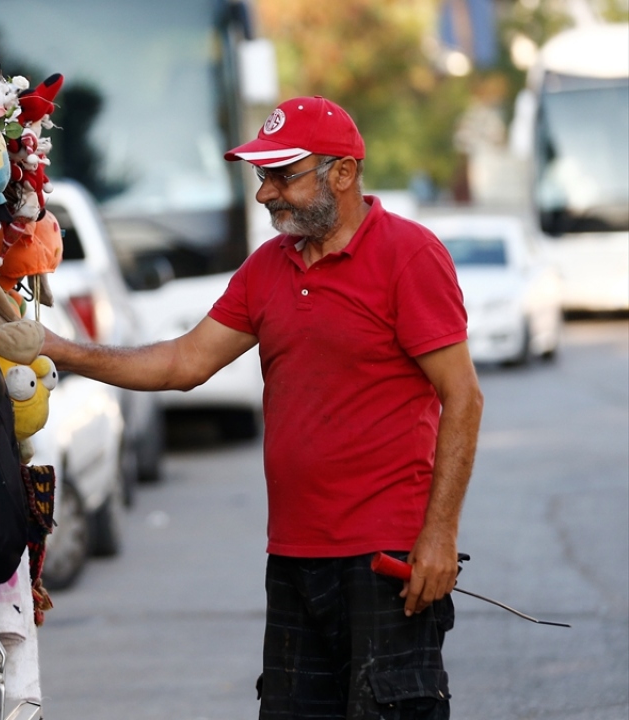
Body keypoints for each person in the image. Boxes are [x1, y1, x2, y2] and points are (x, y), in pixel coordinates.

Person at [40, 95, 483, 719]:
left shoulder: (408, 255)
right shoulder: (267, 267)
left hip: (388, 559)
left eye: (283, 175)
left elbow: (463, 396)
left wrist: (439, 535)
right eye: (261, 176)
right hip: (295, 558)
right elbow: (183, 363)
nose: (266, 194)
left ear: (343, 173)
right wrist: (59, 348)